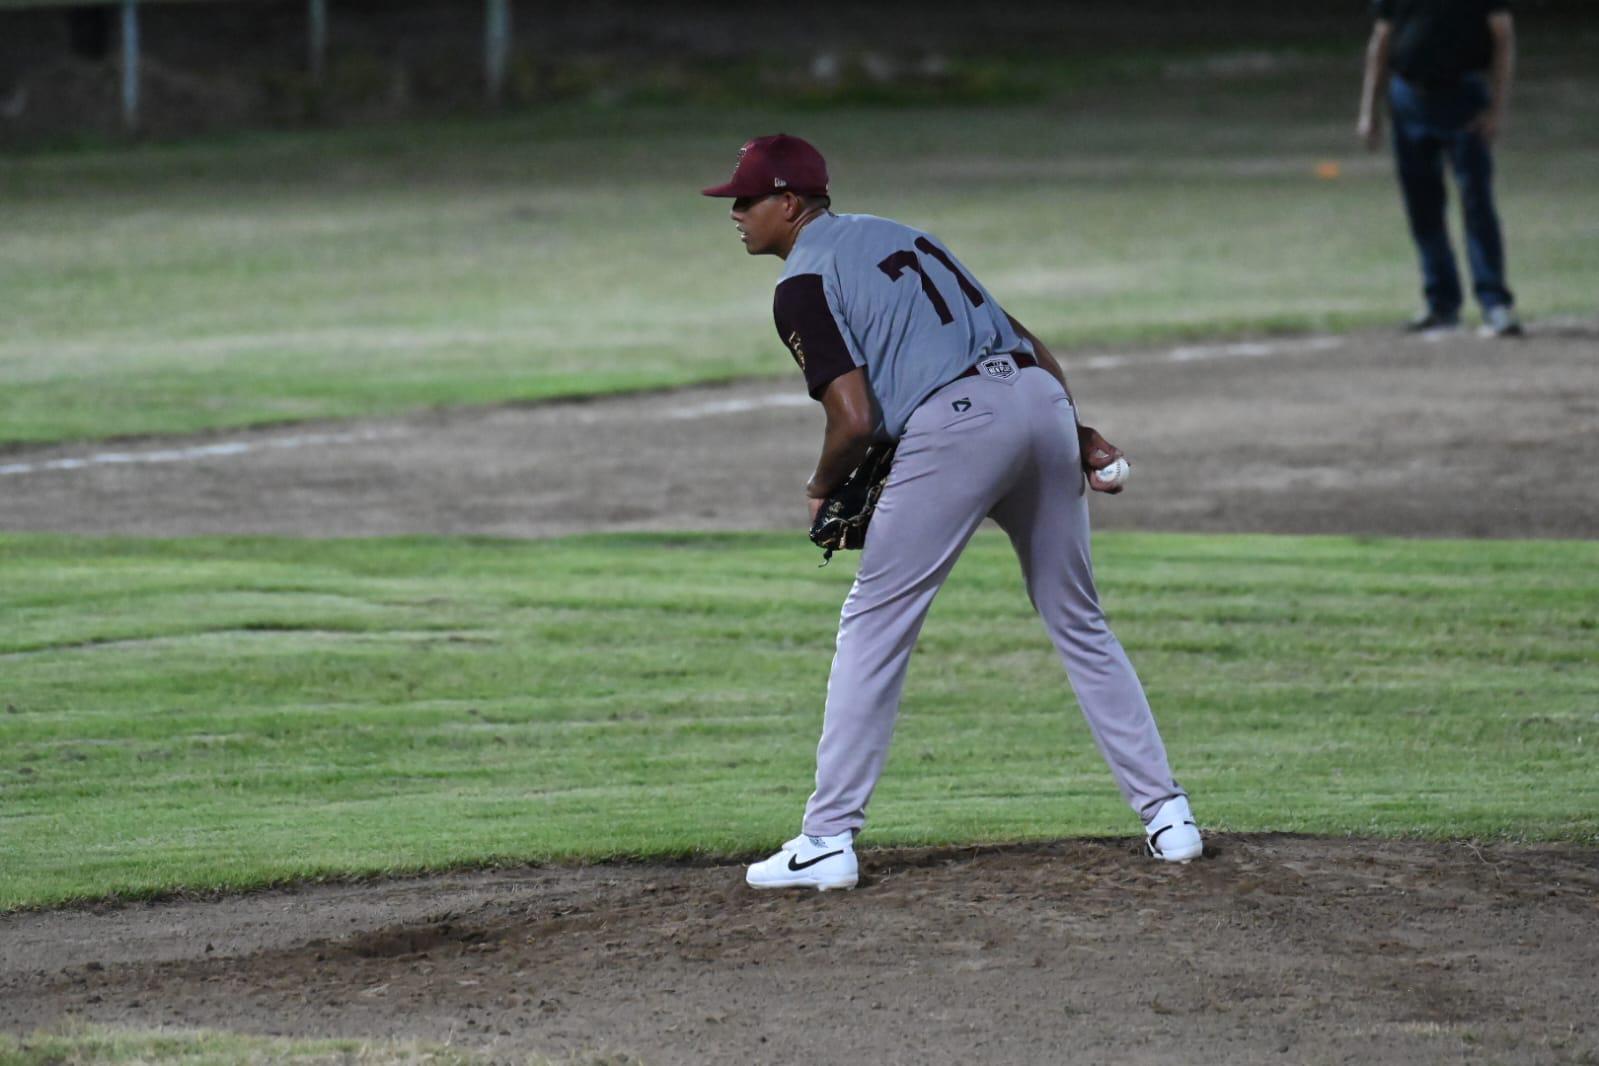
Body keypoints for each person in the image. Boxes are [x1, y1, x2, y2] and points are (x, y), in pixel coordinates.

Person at [701, 134, 1201, 892]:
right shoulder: (901, 234)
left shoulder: (800, 281)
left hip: (956, 427)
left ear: (790, 204)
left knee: (874, 618)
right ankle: (1169, 818)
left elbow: (854, 415)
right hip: (1037, 399)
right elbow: (1021, 339)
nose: (734, 212)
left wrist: (819, 484)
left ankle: (827, 838)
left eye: (746, 198)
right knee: (1078, 618)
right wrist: (1071, 429)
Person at [1357, 0, 1523, 337]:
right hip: (1409, 97)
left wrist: (1496, 108)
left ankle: (1494, 303)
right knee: (1423, 206)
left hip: (1463, 95)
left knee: (1476, 201)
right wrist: (1368, 111)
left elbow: (1503, 38)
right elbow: (1381, 41)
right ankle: (1441, 302)